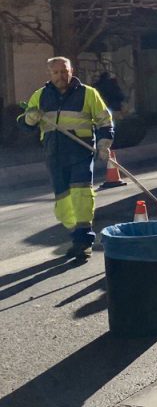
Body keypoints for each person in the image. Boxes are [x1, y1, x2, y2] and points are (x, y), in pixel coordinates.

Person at [18, 57, 114, 260]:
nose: (61, 76)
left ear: (71, 71)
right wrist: (30, 118)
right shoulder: (40, 95)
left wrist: (104, 144)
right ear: (50, 74)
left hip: (80, 152)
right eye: (56, 72)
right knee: (63, 203)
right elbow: (25, 124)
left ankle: (83, 241)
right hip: (54, 155)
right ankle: (75, 234)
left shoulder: (88, 93)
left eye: (64, 71)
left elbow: (104, 119)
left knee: (81, 196)